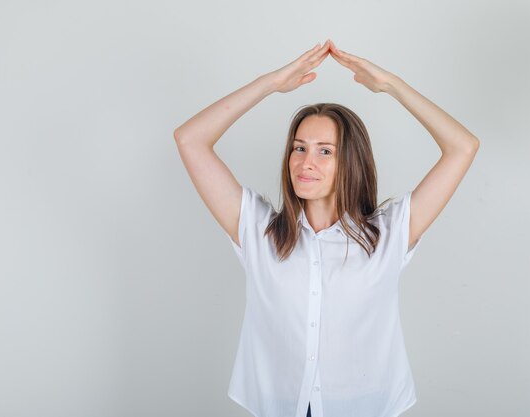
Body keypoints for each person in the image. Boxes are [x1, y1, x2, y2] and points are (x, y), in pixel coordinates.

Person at [173, 39, 479, 417]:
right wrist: (270, 83)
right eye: (299, 148)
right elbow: (190, 140)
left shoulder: (389, 234)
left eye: (325, 151)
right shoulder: (259, 230)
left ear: (350, 161)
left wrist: (391, 85)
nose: (306, 162)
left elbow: (462, 147)